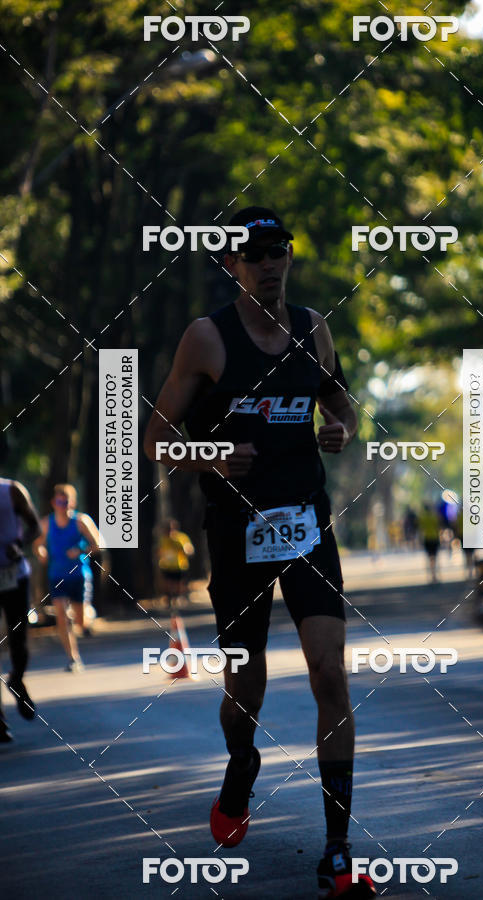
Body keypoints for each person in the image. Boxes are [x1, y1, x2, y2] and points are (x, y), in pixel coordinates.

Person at [144, 206, 375, 899]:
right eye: (255, 253)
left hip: (306, 524)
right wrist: (212, 454)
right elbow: (154, 438)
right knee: (247, 689)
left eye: (279, 250)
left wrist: (340, 425)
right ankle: (241, 763)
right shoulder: (206, 340)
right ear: (231, 265)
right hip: (235, 536)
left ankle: (338, 851)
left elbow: (342, 401)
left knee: (329, 674)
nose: (269, 263)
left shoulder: (312, 329)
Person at [33, 484, 101, 672]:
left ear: (72, 502)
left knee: (79, 622)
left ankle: (87, 615)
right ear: (53, 503)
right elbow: (37, 544)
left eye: (65, 501)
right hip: (57, 576)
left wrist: (80, 550)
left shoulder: (81, 521)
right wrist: (41, 552)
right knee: (61, 616)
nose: (61, 505)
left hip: (79, 574)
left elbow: (98, 545)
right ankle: (73, 658)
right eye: (58, 501)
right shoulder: (47, 523)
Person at [0, 478, 41, 742]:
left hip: (15, 575)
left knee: (18, 641)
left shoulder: (12, 490)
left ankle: (16, 678)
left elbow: (35, 527)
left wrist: (20, 543)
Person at [157, 519, 194, 607]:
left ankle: (178, 598)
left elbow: (189, 550)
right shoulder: (163, 539)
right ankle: (169, 599)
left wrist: (185, 549)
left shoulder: (182, 538)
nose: (170, 531)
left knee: (178, 584)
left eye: (172, 528)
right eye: (168, 529)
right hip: (166, 565)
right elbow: (159, 551)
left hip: (179, 565)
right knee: (167, 584)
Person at [418, 503, 441, 583]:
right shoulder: (433, 517)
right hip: (434, 538)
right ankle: (434, 574)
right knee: (434, 557)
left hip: (427, 538)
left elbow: (421, 528)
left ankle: (431, 574)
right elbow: (437, 527)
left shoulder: (422, 517)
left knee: (429, 557)